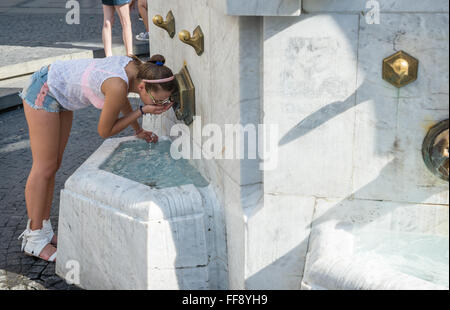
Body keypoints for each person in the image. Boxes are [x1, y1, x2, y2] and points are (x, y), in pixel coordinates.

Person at [17, 54, 176, 262]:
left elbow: (121, 101)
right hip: (45, 90)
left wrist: (138, 130)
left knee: (53, 165)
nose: (161, 104)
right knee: (43, 167)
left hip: (59, 93)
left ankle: (43, 229)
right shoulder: (118, 84)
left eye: (166, 101)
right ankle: (33, 238)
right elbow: (105, 130)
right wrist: (142, 111)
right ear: (143, 88)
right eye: (158, 101)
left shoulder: (134, 70)